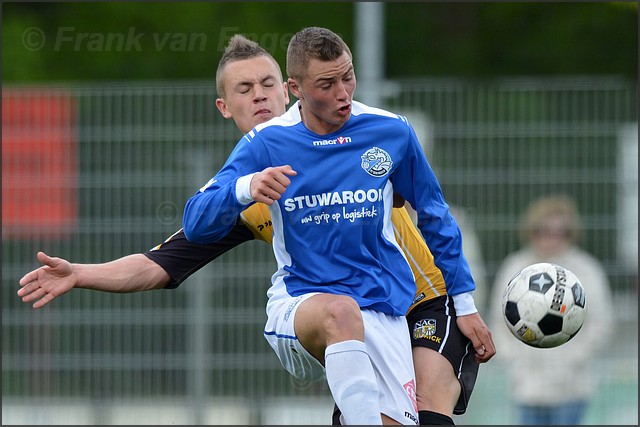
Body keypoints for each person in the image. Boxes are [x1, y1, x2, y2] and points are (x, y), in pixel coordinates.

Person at [18, 34, 494, 425]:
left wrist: (465, 297)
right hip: (348, 312)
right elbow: (158, 263)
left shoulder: (360, 134)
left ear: (289, 90)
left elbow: (432, 209)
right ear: (225, 107)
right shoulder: (246, 188)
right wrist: (81, 273)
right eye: (245, 89)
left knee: (430, 416)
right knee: (343, 324)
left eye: (268, 83)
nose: (260, 94)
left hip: (425, 297)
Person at [182, 27, 494, 425]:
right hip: (301, 302)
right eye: (326, 84)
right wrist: (245, 187)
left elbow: (435, 216)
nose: (343, 93)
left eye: (348, 77)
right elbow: (195, 221)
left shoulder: (390, 132)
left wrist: (464, 305)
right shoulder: (266, 142)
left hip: (383, 309)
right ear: (295, 88)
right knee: (341, 312)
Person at [488, 194, 614, 425]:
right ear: (532, 231)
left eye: (560, 232)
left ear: (570, 234)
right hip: (526, 387)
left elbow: (601, 324)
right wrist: (514, 359)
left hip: (571, 388)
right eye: (543, 231)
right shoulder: (515, 268)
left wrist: (573, 360)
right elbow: (499, 322)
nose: (551, 239)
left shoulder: (586, 271)